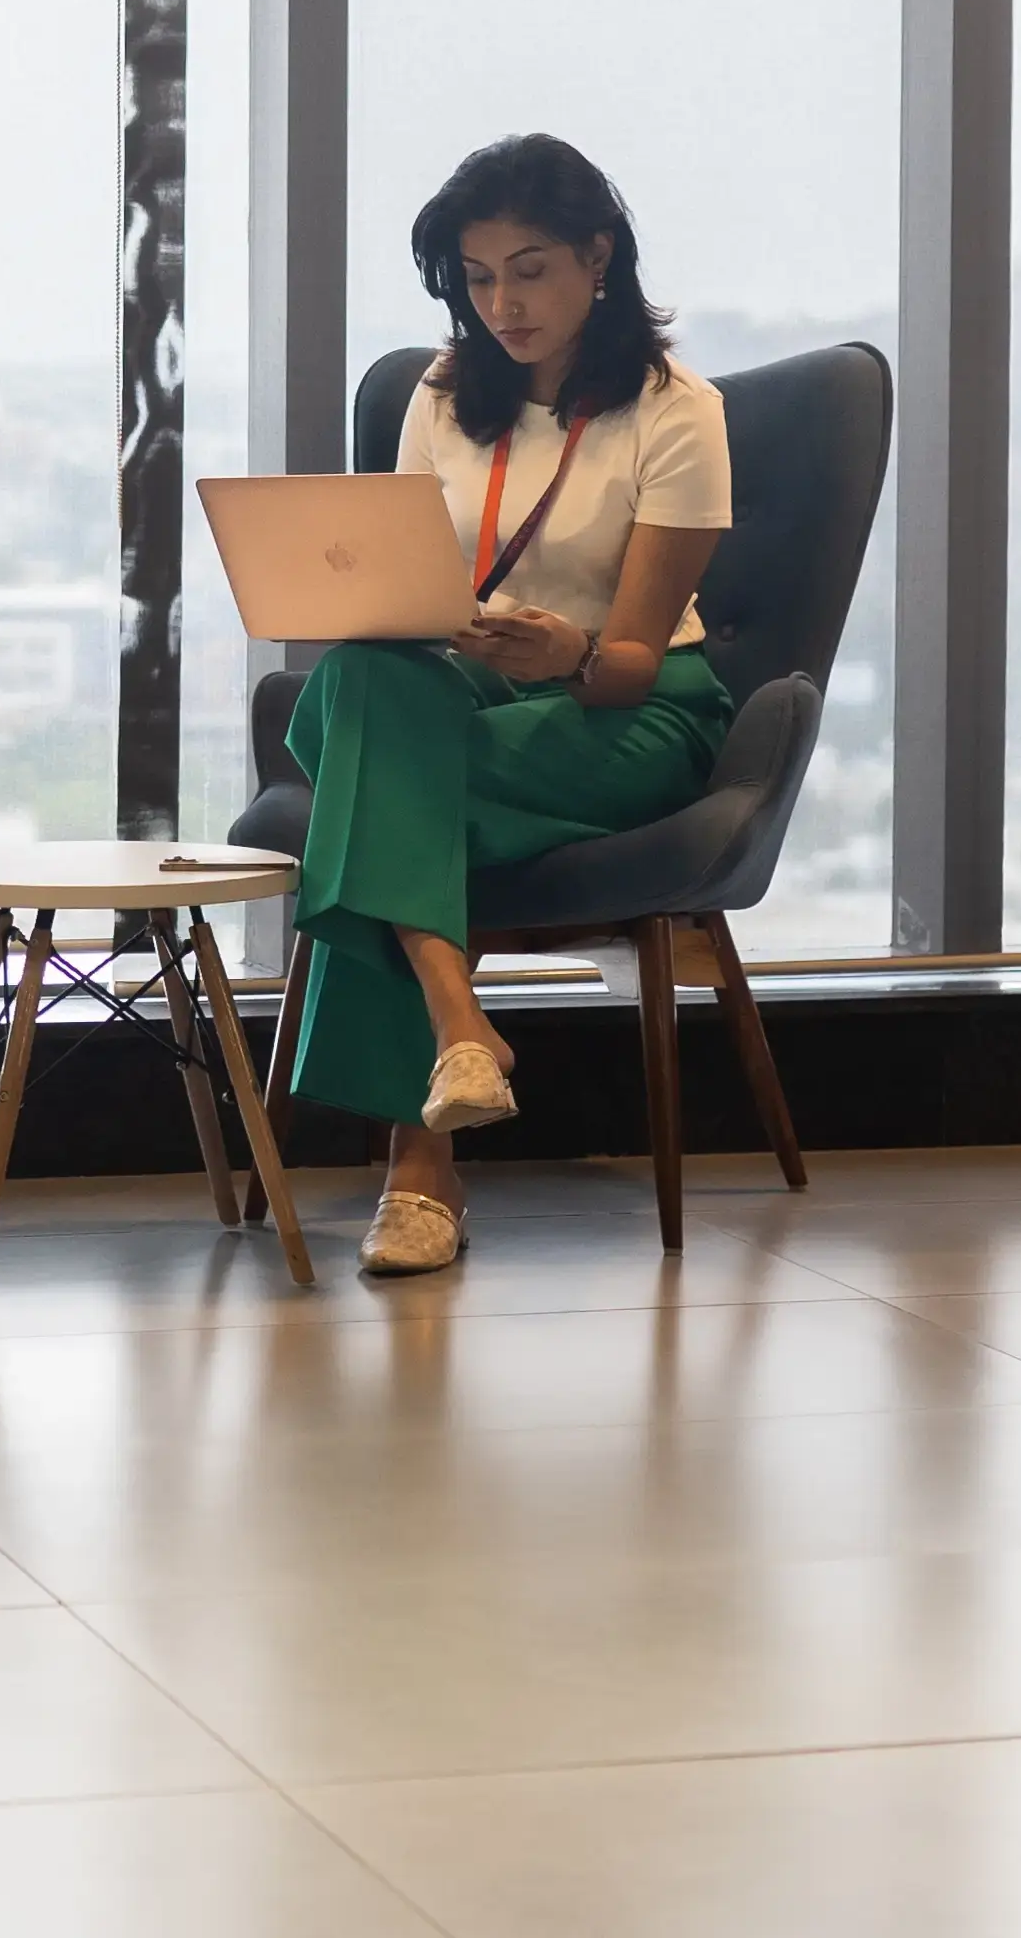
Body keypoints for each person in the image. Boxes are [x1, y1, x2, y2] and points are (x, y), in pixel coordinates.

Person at [281, 133, 731, 1276]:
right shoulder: (441, 394)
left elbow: (632, 658)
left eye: (528, 270)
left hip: (623, 707)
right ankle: (459, 1032)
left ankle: (421, 1168)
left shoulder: (678, 413)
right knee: (353, 681)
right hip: (457, 682)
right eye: (477, 279)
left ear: (598, 256)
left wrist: (569, 649)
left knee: (378, 779)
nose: (502, 304)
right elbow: (394, 589)